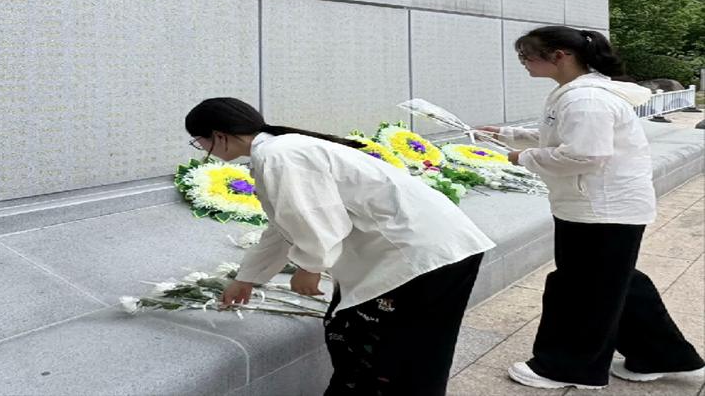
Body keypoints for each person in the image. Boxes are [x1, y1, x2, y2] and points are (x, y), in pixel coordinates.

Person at [185, 97, 495, 396]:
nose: (203, 151)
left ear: (219, 136)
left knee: (369, 353)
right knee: (420, 357)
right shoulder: (283, 149)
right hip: (443, 249)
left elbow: (317, 218)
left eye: (199, 142)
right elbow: (282, 227)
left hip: (415, 256)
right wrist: (247, 278)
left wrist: (310, 267)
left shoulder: (279, 155)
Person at [480, 25, 704, 390]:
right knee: (613, 282)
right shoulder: (578, 93)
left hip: (602, 209)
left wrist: (521, 157)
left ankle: (571, 368)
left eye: (527, 56)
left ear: (560, 56)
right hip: (596, 205)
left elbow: (586, 154)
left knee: (585, 290)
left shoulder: (585, 100)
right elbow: (562, 136)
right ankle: (661, 355)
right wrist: (507, 135)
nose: (523, 63)